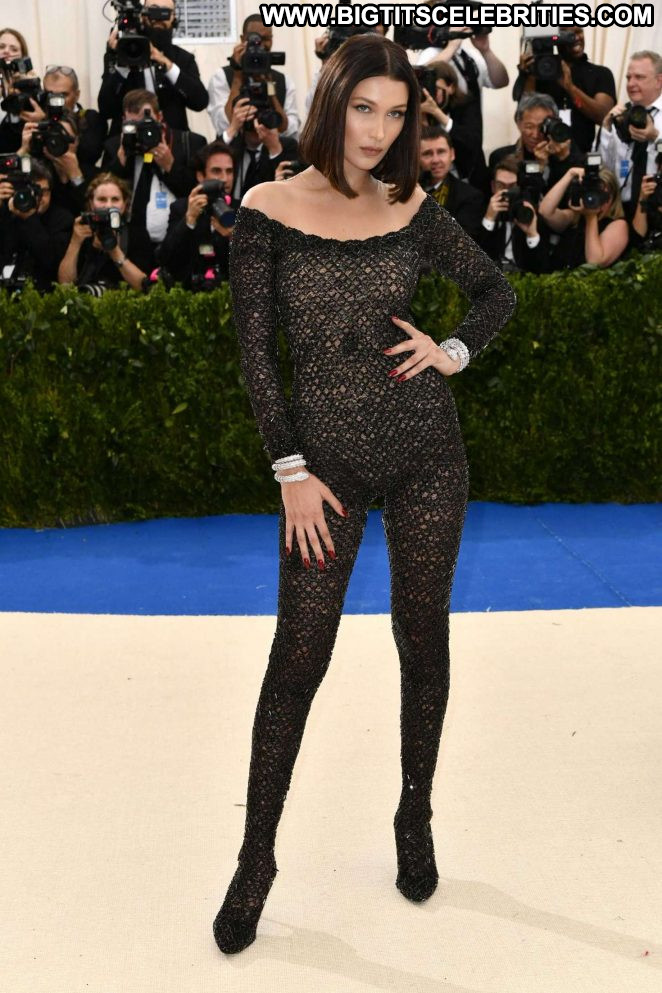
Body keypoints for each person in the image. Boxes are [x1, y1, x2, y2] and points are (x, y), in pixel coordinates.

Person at [213, 33, 516, 955]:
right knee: (297, 660)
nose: (380, 131)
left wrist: (450, 350)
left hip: (427, 452)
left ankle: (414, 813)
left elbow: (495, 292)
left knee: (423, 637)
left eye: (397, 114)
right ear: (332, 102)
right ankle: (256, 859)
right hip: (324, 471)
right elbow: (258, 357)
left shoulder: (411, 206)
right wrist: (291, 471)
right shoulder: (266, 208)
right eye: (364, 108)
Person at [98, 0, 208, 136]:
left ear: (174, 18)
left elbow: (200, 102)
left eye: (164, 12)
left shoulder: (183, 58)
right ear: (142, 16)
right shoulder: (118, 57)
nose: (159, 17)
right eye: (153, 11)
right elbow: (105, 110)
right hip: (128, 138)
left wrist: (167, 65)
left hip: (171, 140)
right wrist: (122, 65)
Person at [513, 24, 616, 154]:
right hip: (542, 153)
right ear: (555, 38)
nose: (575, 38)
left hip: (581, 155)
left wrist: (570, 88)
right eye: (567, 34)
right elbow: (524, 112)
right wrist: (529, 73)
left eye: (579, 31)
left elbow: (603, 117)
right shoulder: (540, 71)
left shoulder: (600, 74)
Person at [207, 13, 300, 142]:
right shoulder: (221, 76)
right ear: (242, 39)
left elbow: (289, 129)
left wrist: (270, 88)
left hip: (270, 152)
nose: (260, 45)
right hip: (236, 151)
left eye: (266, 38)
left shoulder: (284, 81)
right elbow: (223, 125)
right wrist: (237, 76)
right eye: (254, 39)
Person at [598, 51, 662, 221]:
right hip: (620, 210)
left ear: (659, 81)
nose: (631, 84)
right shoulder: (621, 116)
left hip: (656, 210)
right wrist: (606, 129)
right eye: (628, 78)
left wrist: (655, 137)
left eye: (639, 77)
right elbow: (605, 169)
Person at [57, 173, 148, 291]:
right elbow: (65, 285)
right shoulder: (80, 231)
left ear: (125, 204)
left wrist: (114, 250)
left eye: (115, 199)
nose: (109, 205)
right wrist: (75, 242)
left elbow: (143, 286)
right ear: (91, 203)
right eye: (102, 199)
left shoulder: (137, 234)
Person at [0, 159, 73, 292]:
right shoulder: (5, 212)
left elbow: (51, 261)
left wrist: (29, 218)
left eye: (42, 192)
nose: (36, 197)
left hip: (43, 293)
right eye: (29, 191)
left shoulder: (62, 219)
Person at [538, 165, 628, 269]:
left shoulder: (619, 225)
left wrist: (591, 217)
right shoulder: (576, 217)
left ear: (613, 198)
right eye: (594, 193)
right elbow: (545, 212)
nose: (598, 199)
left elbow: (594, 262)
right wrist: (570, 174)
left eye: (603, 195)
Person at [419, 124, 485, 240]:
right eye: (427, 154)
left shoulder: (470, 197)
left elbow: (465, 241)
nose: (435, 160)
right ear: (416, 158)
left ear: (452, 154)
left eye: (441, 152)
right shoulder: (405, 192)